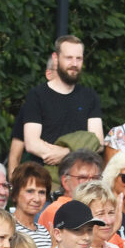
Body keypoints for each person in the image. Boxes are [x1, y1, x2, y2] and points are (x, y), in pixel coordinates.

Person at [19, 35, 103, 166]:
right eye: (69, 58)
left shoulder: (90, 96)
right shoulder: (36, 95)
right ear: (55, 58)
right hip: (44, 176)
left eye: (79, 58)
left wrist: (66, 153)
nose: (74, 64)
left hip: (80, 176)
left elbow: (98, 143)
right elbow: (31, 143)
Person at [9, 162, 53, 248]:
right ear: (15, 195)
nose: (37, 199)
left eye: (41, 192)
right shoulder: (7, 228)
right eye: (30, 191)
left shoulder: (44, 231)